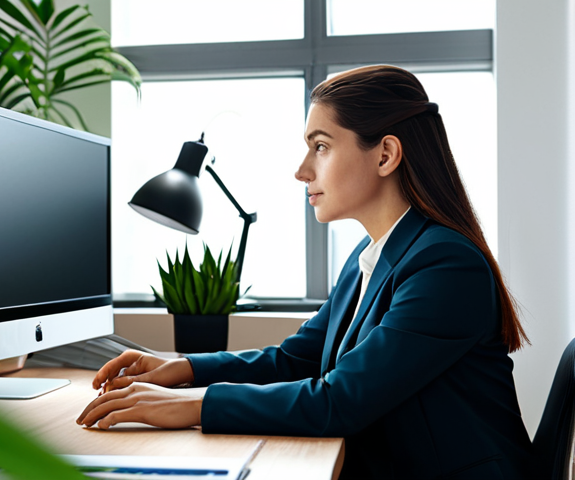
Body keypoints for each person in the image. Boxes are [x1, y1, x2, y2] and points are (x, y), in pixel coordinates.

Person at [77, 65, 536, 479]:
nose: (301, 171)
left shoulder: (444, 265)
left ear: (385, 155)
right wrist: (182, 369)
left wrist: (191, 405)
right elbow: (297, 359)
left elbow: (340, 401)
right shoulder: (374, 254)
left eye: (321, 146)